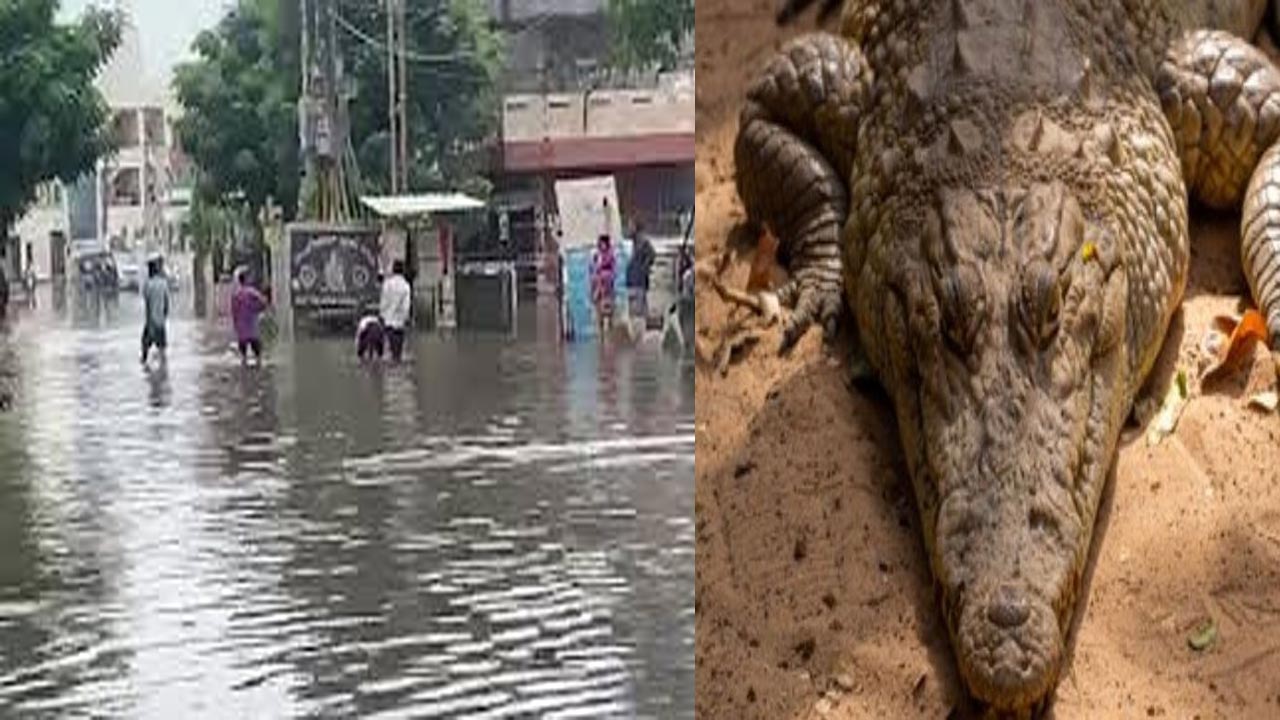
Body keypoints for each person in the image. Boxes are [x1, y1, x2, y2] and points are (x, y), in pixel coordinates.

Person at [230, 267, 269, 365]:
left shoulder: (236, 295)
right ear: (246, 279)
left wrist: (235, 325)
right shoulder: (252, 292)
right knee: (258, 356)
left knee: (243, 357)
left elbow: (234, 312)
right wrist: (258, 309)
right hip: (252, 328)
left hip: (241, 330)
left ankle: (244, 367)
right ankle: (257, 368)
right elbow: (263, 302)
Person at [626, 219, 656, 332]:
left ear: (636, 227)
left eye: (630, 226)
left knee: (637, 312)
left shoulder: (643, 241)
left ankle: (641, 333)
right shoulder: (634, 242)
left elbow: (652, 255)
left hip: (638, 281)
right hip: (634, 280)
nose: (628, 228)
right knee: (638, 310)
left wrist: (644, 268)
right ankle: (643, 332)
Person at [379, 260, 412, 362]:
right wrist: (406, 318)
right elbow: (406, 305)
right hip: (399, 324)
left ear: (393, 270)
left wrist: (382, 315)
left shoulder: (387, 284)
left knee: (388, 352)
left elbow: (383, 301)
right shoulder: (406, 286)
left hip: (388, 322)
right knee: (398, 354)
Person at [141, 256, 170, 365]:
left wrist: (149, 324)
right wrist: (164, 318)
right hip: (161, 322)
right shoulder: (164, 283)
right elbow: (167, 305)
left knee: (144, 347)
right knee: (162, 350)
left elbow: (147, 306)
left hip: (151, 322)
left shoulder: (147, 284)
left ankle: (145, 368)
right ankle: (164, 371)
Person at [591, 234, 617, 335]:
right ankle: (601, 336)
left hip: (607, 289)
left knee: (610, 315)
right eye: (600, 243)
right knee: (599, 316)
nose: (602, 246)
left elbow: (613, 273)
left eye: (603, 243)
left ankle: (610, 334)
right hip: (598, 289)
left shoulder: (610, 256)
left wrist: (604, 276)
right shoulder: (596, 256)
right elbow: (592, 271)